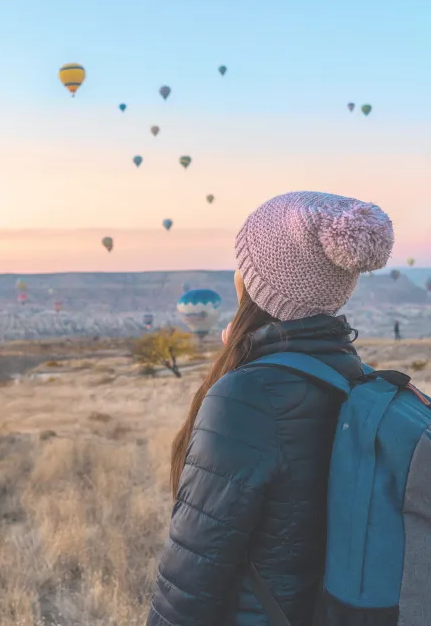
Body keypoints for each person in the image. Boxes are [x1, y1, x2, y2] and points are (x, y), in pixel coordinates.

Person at [148, 191, 395, 626]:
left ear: (256, 280)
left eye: (243, 262)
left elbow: (191, 575)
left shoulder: (247, 396)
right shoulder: (353, 378)